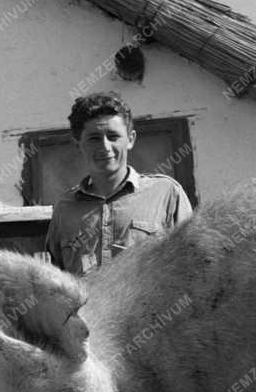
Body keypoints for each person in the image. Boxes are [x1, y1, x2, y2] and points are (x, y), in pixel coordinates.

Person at [46, 92, 193, 276]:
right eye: (94, 138)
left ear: (130, 139)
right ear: (78, 145)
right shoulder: (65, 209)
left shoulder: (166, 194)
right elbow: (57, 281)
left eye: (113, 136)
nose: (105, 147)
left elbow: (193, 266)